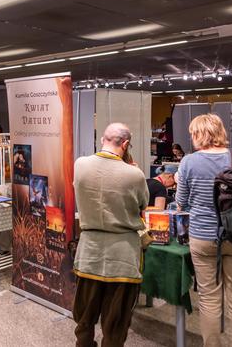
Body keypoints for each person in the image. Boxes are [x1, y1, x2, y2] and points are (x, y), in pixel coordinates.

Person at [175, 114, 232, 347]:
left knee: (209, 298)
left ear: (199, 134)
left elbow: (182, 201)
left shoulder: (189, 162)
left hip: (202, 235)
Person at [73, 123, 148, 347]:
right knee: (116, 322)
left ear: (103, 139)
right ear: (125, 144)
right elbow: (142, 205)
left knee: (84, 317)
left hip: (88, 251)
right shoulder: (135, 174)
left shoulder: (80, 164)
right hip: (122, 256)